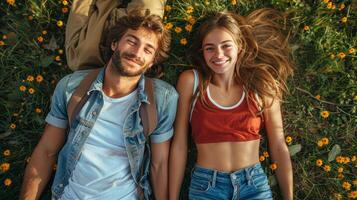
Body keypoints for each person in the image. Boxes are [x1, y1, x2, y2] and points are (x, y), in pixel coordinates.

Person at [20, 7, 177, 200]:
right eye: (131, 41)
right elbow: (46, 151)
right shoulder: (71, 87)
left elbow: (159, 164)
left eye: (148, 49)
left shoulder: (163, 99)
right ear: (114, 44)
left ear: (152, 62)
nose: (137, 52)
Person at [169, 8, 294, 200]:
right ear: (202, 52)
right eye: (210, 48)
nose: (218, 54)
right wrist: (172, 197)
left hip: (253, 185)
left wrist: (289, 197)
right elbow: (179, 144)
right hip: (206, 187)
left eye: (226, 46)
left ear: (240, 47)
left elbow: (278, 145)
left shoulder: (261, 83)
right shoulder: (191, 82)